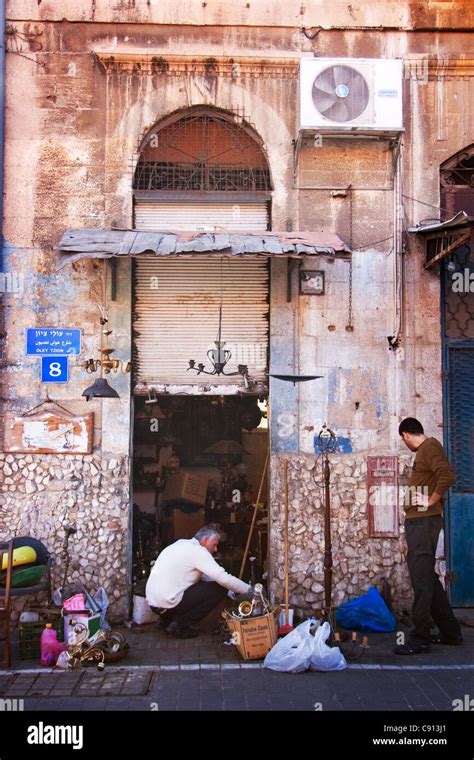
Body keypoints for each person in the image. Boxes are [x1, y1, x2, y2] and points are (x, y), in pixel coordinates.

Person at [395, 417, 463, 655]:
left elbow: (448, 475)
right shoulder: (426, 449)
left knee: (421, 581)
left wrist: (430, 499)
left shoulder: (430, 447)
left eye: (403, 440)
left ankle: (420, 637)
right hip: (420, 522)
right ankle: (451, 633)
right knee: (428, 579)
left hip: (423, 522)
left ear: (405, 435)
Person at [146, 526, 252, 638]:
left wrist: (232, 592)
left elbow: (208, 576)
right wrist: (250, 590)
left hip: (154, 604)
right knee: (219, 589)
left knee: (199, 585)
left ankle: (165, 620)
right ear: (205, 540)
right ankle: (179, 625)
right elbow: (222, 578)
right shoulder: (199, 551)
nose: (215, 549)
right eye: (214, 545)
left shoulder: (181, 544)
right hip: (168, 603)